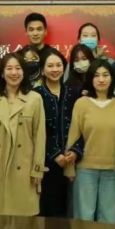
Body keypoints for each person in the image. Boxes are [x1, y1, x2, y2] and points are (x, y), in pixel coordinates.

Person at [0, 53, 46, 216]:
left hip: (25, 168)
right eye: (9, 68)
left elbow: (39, 137)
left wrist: (37, 169)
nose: (14, 72)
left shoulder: (35, 99)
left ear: (24, 72)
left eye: (18, 68)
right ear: (2, 73)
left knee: (24, 222)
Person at [64, 59, 115, 224]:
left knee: (109, 219)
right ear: (91, 79)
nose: (101, 79)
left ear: (112, 78)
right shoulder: (81, 104)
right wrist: (69, 168)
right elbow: (73, 136)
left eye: (105, 75)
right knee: (84, 219)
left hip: (112, 170)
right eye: (97, 75)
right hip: (85, 169)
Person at [33, 49, 81, 217]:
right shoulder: (36, 95)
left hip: (72, 162)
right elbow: (35, 130)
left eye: (58, 65)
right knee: (48, 209)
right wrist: (54, 154)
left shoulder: (74, 94)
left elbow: (83, 126)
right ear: (43, 69)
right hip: (45, 162)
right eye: (50, 66)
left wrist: (75, 151)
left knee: (70, 210)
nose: (55, 69)